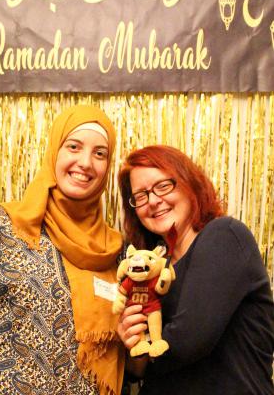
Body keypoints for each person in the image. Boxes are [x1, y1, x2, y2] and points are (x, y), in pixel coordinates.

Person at [0, 105, 125, 395]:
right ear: (54, 151)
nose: (86, 162)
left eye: (99, 153)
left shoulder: (115, 251)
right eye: (73, 147)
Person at [117, 145, 274, 395]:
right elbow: (138, 370)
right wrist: (131, 344)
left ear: (189, 182)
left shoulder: (224, 236)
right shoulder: (152, 272)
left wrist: (142, 355)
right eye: (141, 195)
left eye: (163, 186)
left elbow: (189, 341)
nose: (154, 201)